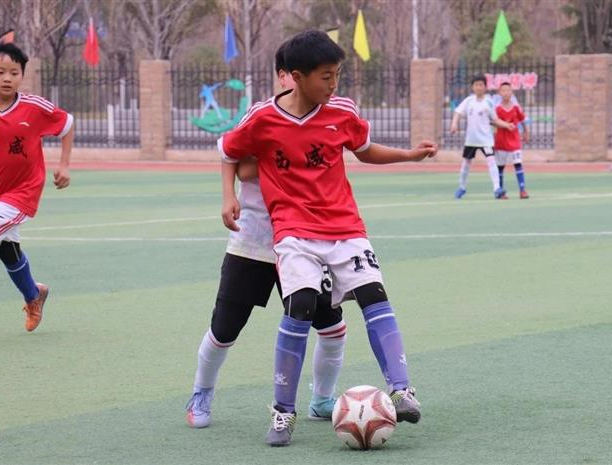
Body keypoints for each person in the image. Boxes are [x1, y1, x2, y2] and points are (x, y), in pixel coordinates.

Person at [218, 30, 437, 446]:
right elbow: (229, 151)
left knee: (374, 294)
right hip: (294, 231)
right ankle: (283, 412)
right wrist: (229, 196)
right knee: (300, 305)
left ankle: (402, 390)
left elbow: (365, 149)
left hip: (345, 227)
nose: (334, 84)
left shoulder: (342, 111)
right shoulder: (263, 117)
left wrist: (409, 154)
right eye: (326, 76)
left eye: (337, 74)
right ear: (297, 76)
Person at [185, 41, 348, 428]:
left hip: (308, 242)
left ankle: (322, 399)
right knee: (225, 329)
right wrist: (230, 195)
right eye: (285, 75)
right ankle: (201, 393)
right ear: (284, 76)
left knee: (332, 328)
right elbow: (237, 162)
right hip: (255, 243)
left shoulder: (326, 117)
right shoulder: (262, 116)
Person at [0, 40, 74, 331]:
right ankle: (34, 295)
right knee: (7, 251)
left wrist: (64, 165)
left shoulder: (34, 107)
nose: (7, 78)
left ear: (22, 75)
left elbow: (67, 124)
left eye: (14, 73)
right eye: (0, 71)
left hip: (24, 191)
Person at [449, 74, 513, 199]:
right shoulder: (469, 101)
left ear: (485, 87)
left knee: (492, 161)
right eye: (476, 85)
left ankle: (497, 189)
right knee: (466, 163)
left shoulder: (488, 102)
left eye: (481, 85)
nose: (478, 87)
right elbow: (457, 112)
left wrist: (506, 125)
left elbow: (495, 119)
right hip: (471, 140)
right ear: (472, 87)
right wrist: (454, 124)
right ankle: (462, 187)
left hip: (486, 140)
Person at [493, 82, 530, 199]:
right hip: (501, 142)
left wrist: (526, 132)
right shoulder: (497, 109)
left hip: (514, 141)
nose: (506, 93)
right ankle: (501, 192)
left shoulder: (516, 108)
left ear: (512, 92)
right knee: (500, 167)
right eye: (503, 90)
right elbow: (493, 123)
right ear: (499, 93)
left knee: (518, 164)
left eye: (508, 90)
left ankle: (522, 190)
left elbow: (522, 120)